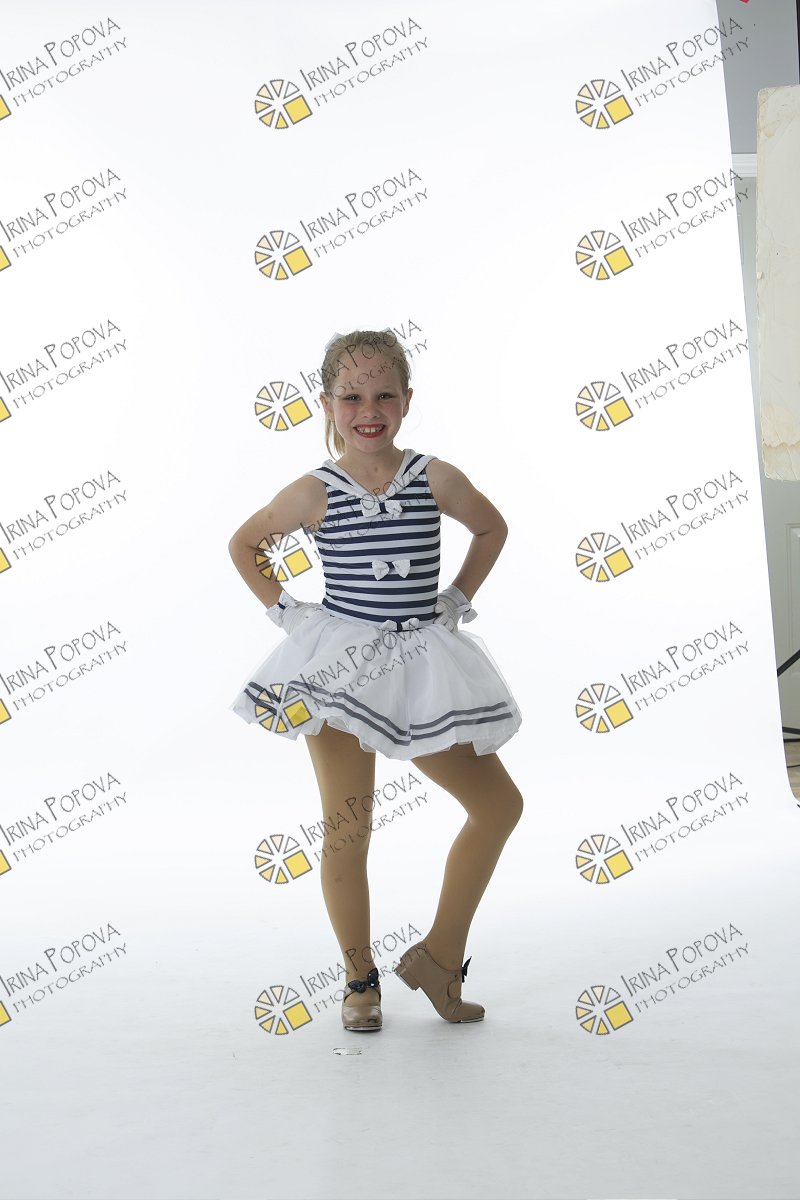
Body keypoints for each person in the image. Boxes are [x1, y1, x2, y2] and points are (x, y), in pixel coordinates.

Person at [228, 328, 524, 1032]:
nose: (369, 410)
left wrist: (455, 599)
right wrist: (288, 614)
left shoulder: (434, 477)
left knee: (498, 807)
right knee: (347, 829)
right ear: (327, 404)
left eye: (384, 395)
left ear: (407, 401)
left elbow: (492, 529)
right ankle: (359, 980)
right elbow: (244, 543)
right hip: (338, 672)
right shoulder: (314, 491)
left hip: (420, 667)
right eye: (352, 396)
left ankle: (439, 957)